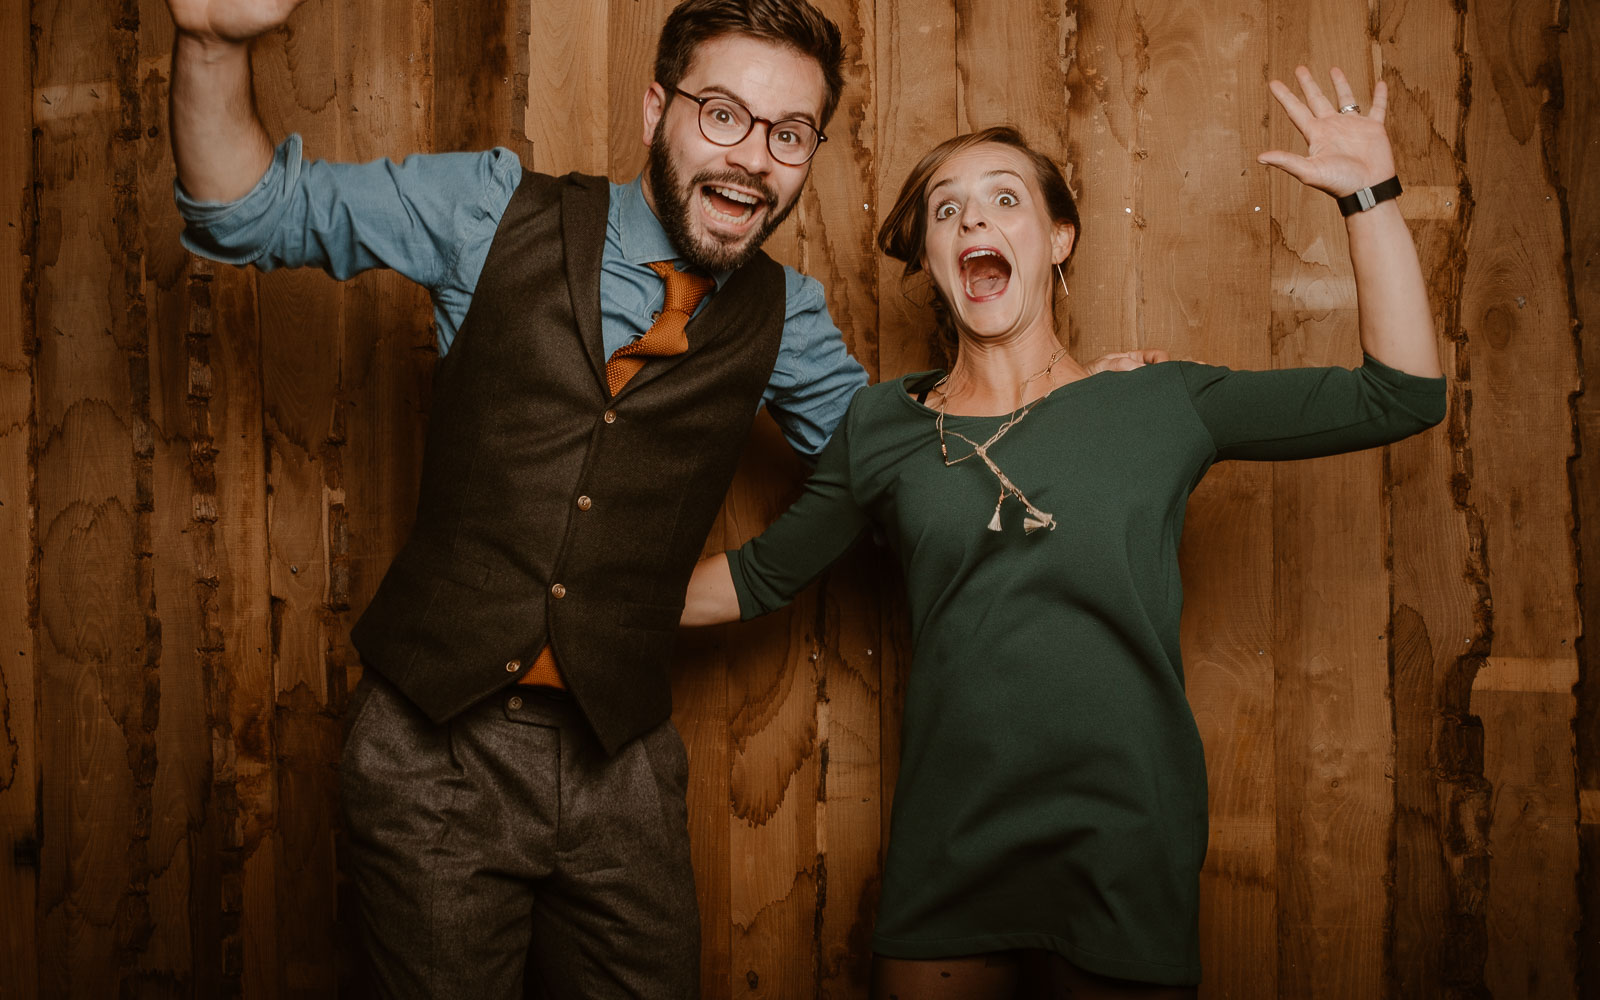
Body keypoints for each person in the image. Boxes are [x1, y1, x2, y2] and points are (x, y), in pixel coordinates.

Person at [682, 67, 1445, 999]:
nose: (973, 223)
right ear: (928, 256)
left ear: (1057, 241)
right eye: (946, 211)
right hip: (952, 839)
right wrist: (560, 606)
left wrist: (1370, 195)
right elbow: (758, 577)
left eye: (1005, 201)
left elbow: (1400, 395)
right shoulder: (881, 427)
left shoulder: (1160, 403)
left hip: (1123, 840)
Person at [165, 0, 871, 996]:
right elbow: (246, 209)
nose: (754, 156)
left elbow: (898, 466)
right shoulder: (490, 210)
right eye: (722, 113)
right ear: (654, 110)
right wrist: (209, 42)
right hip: (432, 755)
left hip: (622, 764)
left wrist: (756, 580)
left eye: (789, 133)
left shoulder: (787, 318)